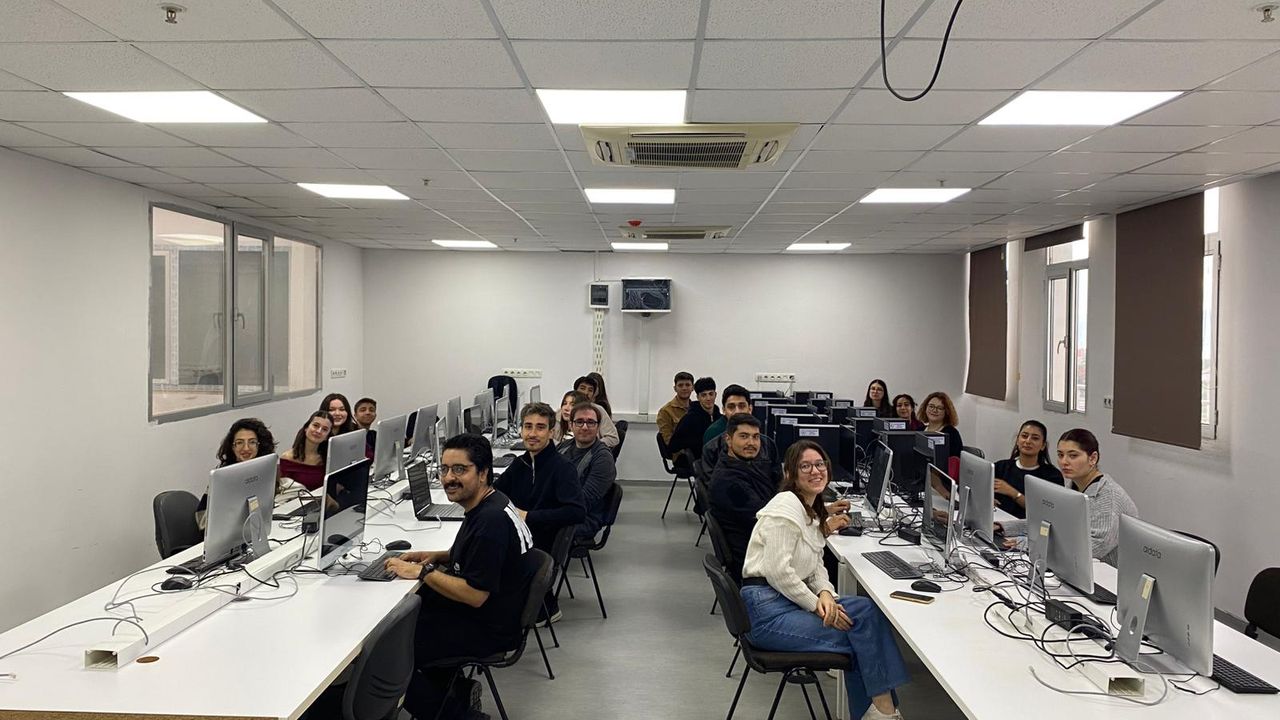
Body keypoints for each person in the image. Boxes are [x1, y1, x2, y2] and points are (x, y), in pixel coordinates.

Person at [740, 440, 909, 720]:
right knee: (861, 637)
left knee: (867, 611)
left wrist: (827, 594)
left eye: (819, 464)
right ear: (790, 474)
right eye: (805, 466)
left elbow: (815, 562)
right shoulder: (785, 510)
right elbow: (778, 572)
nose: (815, 471)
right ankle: (885, 712)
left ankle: (881, 712)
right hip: (767, 613)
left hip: (785, 600)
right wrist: (815, 604)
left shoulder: (808, 507)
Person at [384, 433, 534, 720]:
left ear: (483, 473)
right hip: (497, 611)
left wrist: (423, 572)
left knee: (392, 652)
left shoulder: (490, 522)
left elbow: (475, 595)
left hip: (488, 627)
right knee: (408, 619)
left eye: (460, 469)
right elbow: (475, 553)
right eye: (444, 469)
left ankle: (458, 715)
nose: (449, 478)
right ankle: (457, 692)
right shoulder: (492, 503)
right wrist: (437, 556)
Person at [493, 402, 586, 621]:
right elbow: (496, 493)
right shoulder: (522, 463)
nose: (532, 433)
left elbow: (576, 512)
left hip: (538, 545)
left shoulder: (562, 468)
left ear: (552, 432)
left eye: (540, 427)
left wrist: (528, 516)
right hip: (525, 538)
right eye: (528, 426)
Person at [999, 429, 1139, 566]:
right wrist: (1003, 527)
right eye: (1060, 455)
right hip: (1077, 567)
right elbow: (1049, 523)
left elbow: (1095, 547)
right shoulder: (1073, 487)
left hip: (1107, 573)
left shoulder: (1108, 495)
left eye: (1073, 456)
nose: (1064, 462)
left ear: (1093, 458)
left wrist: (1031, 544)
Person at [708, 414, 783, 583]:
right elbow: (768, 522)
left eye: (756, 437)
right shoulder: (729, 482)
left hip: (762, 552)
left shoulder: (745, 466)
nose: (751, 443)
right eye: (744, 436)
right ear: (728, 439)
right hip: (756, 564)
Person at [199, 418, 277, 530]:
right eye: (239, 442)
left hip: (257, 529)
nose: (246, 448)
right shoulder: (222, 477)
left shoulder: (266, 471)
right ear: (232, 447)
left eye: (252, 442)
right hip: (226, 533)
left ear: (259, 445)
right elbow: (203, 519)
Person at [558, 402, 616, 541]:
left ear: (598, 427)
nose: (585, 427)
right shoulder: (563, 447)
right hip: (560, 508)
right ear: (571, 425)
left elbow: (582, 502)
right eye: (579, 422)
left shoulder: (602, 458)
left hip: (582, 519)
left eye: (590, 422)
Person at [992, 420, 1065, 519]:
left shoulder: (1052, 476)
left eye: (1035, 438)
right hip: (996, 520)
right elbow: (981, 490)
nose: (1028, 441)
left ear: (1043, 445)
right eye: (1024, 436)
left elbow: (1045, 512)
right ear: (1017, 440)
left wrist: (1013, 493)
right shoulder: (1001, 467)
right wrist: (989, 500)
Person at [702, 392, 778, 473]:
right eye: (731, 407)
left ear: (750, 409)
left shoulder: (768, 445)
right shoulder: (712, 449)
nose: (737, 411)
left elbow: (778, 478)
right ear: (724, 410)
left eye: (742, 406)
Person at [668, 376, 720, 465]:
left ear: (715, 395)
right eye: (704, 395)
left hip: (717, 459)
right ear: (698, 397)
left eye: (711, 394)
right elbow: (673, 445)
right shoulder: (689, 419)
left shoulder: (720, 418)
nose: (708, 398)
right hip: (700, 461)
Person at [279, 411, 331, 491]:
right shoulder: (287, 457)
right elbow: (283, 489)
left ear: (327, 437)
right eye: (315, 425)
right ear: (306, 428)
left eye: (324, 429)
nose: (318, 431)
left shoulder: (327, 459)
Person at [568, 379, 621, 448]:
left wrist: (591, 445)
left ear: (593, 395)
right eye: (582, 388)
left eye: (590, 390)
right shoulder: (564, 410)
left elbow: (613, 438)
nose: (586, 392)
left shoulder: (598, 410)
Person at [917, 391, 962, 458]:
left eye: (940, 408)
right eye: (931, 406)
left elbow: (955, 460)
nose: (934, 410)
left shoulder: (952, 433)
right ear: (925, 408)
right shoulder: (919, 430)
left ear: (946, 412)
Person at [657, 371, 694, 446]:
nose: (684, 388)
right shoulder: (665, 411)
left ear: (693, 388)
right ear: (675, 388)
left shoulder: (696, 408)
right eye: (680, 385)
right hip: (680, 451)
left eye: (687, 385)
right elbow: (669, 441)